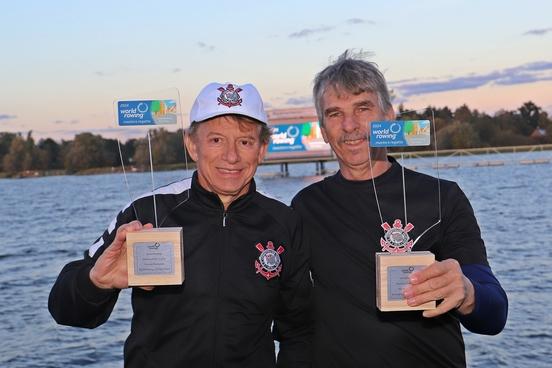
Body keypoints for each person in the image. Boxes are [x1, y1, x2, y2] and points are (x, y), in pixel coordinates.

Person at [49, 82, 312, 367]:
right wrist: (96, 283)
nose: (231, 156)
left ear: (262, 150)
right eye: (216, 140)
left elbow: (298, 329)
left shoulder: (284, 222)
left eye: (245, 142)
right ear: (191, 145)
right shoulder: (147, 211)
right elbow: (66, 311)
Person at [291, 51, 508, 367]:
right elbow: (290, 314)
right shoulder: (305, 207)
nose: (350, 126)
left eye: (363, 108)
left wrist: (465, 291)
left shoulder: (442, 197)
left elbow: (495, 314)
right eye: (335, 114)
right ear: (323, 130)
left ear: (389, 116)